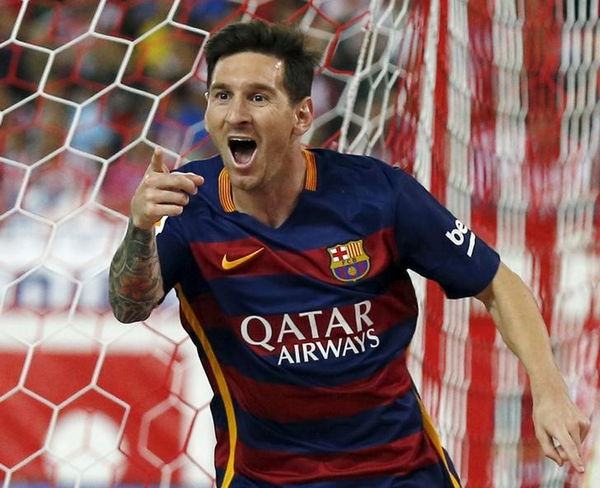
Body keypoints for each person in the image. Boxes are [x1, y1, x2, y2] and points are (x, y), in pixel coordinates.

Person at [108, 20, 590, 488]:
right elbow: (130, 307)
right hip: (264, 477)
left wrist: (549, 391)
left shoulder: (378, 194)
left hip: (402, 472)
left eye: (258, 96)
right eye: (222, 95)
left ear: (301, 116)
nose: (236, 113)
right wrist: (140, 229)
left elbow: (498, 283)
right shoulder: (194, 206)